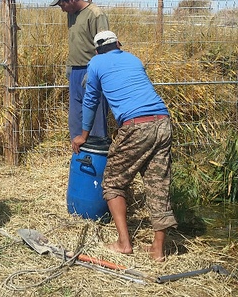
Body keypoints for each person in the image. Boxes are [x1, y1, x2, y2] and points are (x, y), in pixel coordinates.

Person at [71, 31, 177, 262]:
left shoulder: (96, 62)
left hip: (136, 126)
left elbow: (90, 100)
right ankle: (158, 250)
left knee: (113, 182)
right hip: (163, 121)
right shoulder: (133, 58)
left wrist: (83, 135)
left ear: (97, 49)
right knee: (158, 183)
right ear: (118, 44)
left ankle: (124, 244)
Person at [51, 0, 111, 148]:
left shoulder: (95, 14)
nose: (61, 9)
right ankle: (79, 155)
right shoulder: (71, 13)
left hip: (92, 70)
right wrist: (70, 67)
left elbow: (105, 47)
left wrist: (95, 72)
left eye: (62, 5)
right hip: (75, 71)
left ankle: (96, 156)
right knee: (76, 116)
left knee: (96, 115)